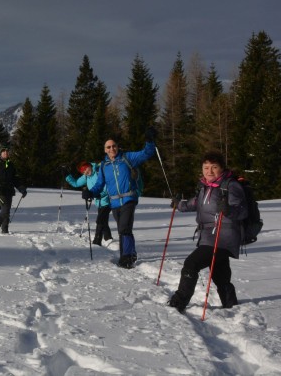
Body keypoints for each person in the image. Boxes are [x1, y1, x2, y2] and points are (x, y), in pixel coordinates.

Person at [167, 151, 247, 313]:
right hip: (209, 236)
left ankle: (179, 301)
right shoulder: (204, 186)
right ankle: (231, 305)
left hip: (223, 237)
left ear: (222, 168)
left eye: (214, 167)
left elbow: (242, 211)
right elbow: (194, 204)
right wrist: (178, 204)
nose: (209, 171)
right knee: (219, 274)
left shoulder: (230, 186)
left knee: (191, 263)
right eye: (206, 167)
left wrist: (229, 210)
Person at [83, 128, 156, 268]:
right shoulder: (104, 166)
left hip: (129, 199)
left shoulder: (127, 158)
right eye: (108, 147)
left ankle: (126, 257)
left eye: (114, 146)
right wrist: (90, 193)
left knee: (123, 228)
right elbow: (99, 184)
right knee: (124, 229)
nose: (112, 149)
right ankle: (131, 253)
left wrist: (149, 141)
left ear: (117, 146)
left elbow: (146, 153)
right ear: (105, 150)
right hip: (114, 202)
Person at [66, 161, 112, 245]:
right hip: (99, 202)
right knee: (103, 220)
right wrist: (67, 176)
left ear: (90, 165)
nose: (85, 172)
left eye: (86, 168)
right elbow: (76, 183)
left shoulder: (99, 171)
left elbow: (107, 188)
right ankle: (108, 237)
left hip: (108, 200)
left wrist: (97, 194)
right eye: (83, 171)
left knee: (100, 220)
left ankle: (97, 241)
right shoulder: (86, 177)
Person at [0, 144, 27, 234]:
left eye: (7, 151)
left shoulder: (11, 164)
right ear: (1, 153)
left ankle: (5, 231)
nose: (6, 153)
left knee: (6, 211)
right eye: (4, 151)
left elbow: (15, 179)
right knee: (6, 210)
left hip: (9, 190)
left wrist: (22, 189)